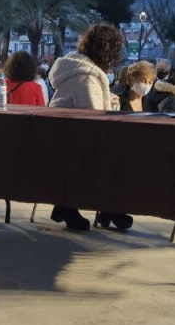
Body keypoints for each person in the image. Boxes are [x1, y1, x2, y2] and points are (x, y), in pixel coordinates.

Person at [48, 23, 125, 230]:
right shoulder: (86, 76)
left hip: (61, 138)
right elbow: (94, 116)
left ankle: (96, 207)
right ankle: (108, 207)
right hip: (73, 142)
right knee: (119, 155)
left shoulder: (76, 68)